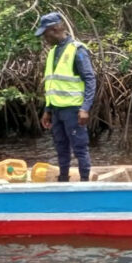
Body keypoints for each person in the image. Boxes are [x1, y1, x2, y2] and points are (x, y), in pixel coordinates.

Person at [35, 12, 96, 182]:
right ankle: (63, 179)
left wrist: (85, 108)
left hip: (73, 109)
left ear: (55, 30)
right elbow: (52, 84)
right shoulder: (53, 52)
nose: (44, 39)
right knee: (61, 147)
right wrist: (47, 110)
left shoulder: (77, 50)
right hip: (56, 110)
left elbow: (90, 79)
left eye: (45, 34)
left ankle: (85, 182)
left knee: (80, 148)